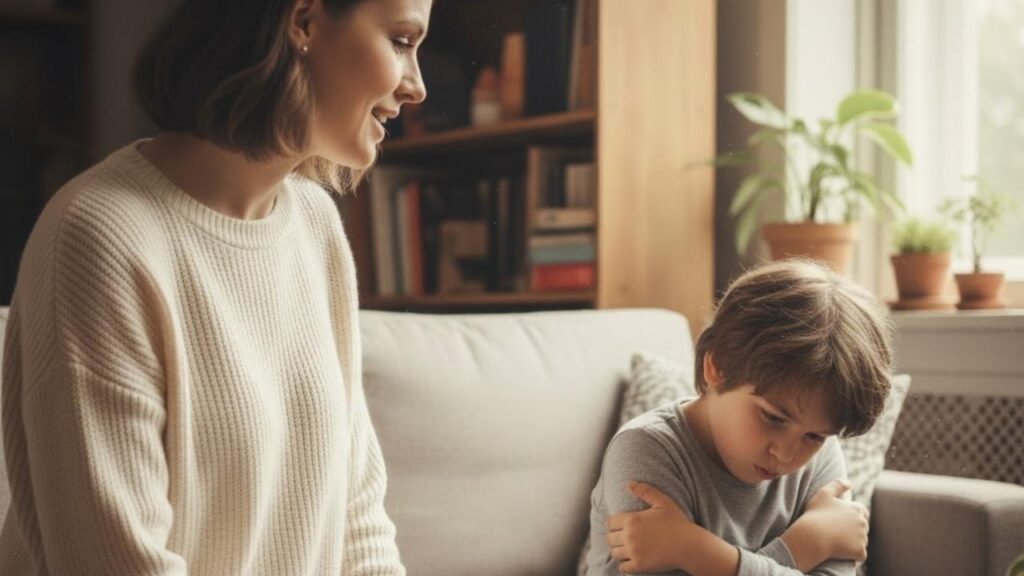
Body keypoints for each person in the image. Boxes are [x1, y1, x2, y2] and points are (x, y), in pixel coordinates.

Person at [0, 0, 430, 573]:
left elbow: (358, 523)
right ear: (302, 23)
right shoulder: (99, 237)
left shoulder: (315, 225)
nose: (417, 87)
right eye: (401, 41)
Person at [586, 260, 894, 576]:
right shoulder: (645, 452)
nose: (787, 455)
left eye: (814, 436)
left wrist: (695, 553)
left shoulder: (822, 455)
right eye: (773, 418)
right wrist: (807, 544)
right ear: (716, 367)